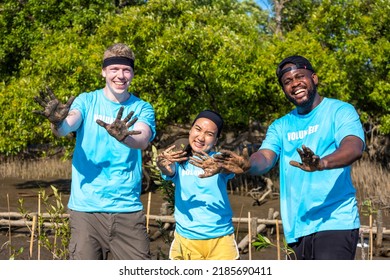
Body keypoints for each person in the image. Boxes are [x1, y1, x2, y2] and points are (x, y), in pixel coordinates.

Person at [211, 55, 366, 260]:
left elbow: (353, 147)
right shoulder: (280, 125)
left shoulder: (340, 111)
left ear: (314, 78)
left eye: (300, 76)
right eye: (287, 82)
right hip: (296, 228)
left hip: (335, 222)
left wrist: (321, 163)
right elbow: (265, 157)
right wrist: (248, 165)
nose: (294, 84)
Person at [33, 43, 156, 260]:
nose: (120, 75)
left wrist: (125, 135)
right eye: (114, 69)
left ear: (133, 74)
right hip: (85, 210)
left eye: (126, 70)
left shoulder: (142, 107)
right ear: (103, 72)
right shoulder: (86, 100)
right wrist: (57, 122)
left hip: (127, 209)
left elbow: (143, 138)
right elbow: (66, 126)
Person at [156, 110, 239, 260]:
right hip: (186, 240)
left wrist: (220, 166)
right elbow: (169, 171)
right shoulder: (180, 161)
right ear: (190, 130)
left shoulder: (219, 160)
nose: (201, 137)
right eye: (198, 129)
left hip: (221, 240)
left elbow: (229, 168)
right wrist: (162, 165)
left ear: (215, 140)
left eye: (209, 134)